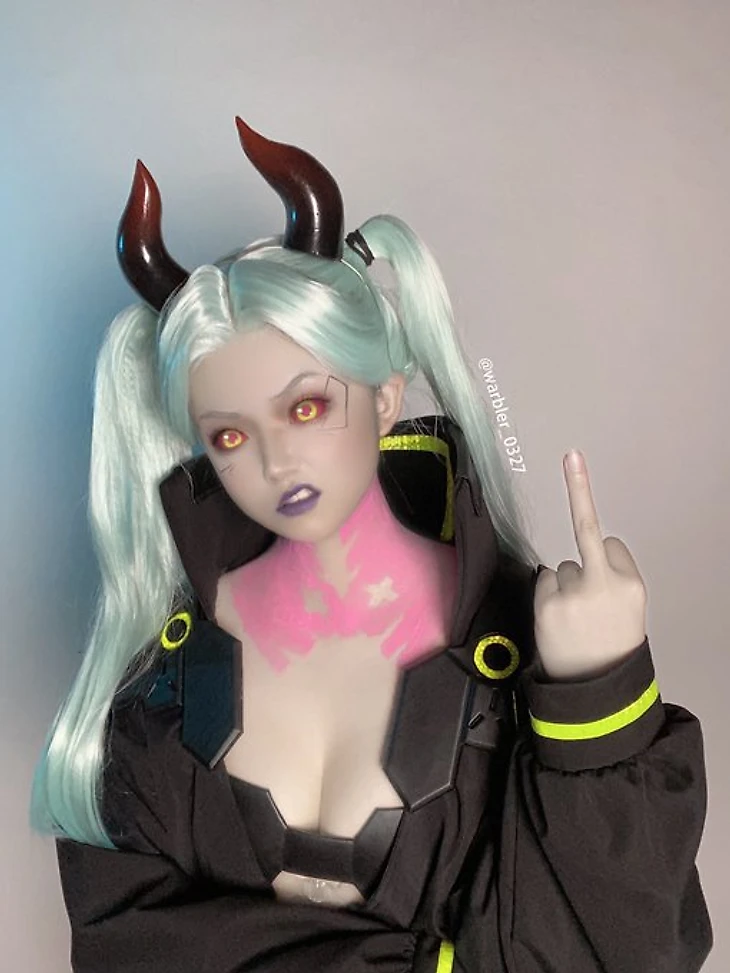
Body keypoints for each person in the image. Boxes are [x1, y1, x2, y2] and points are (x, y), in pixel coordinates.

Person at [32, 118, 712, 972]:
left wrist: (599, 697)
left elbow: (623, 946)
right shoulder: (158, 686)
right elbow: (126, 944)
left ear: (387, 397)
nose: (276, 460)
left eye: (307, 406)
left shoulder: (522, 651)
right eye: (230, 435)